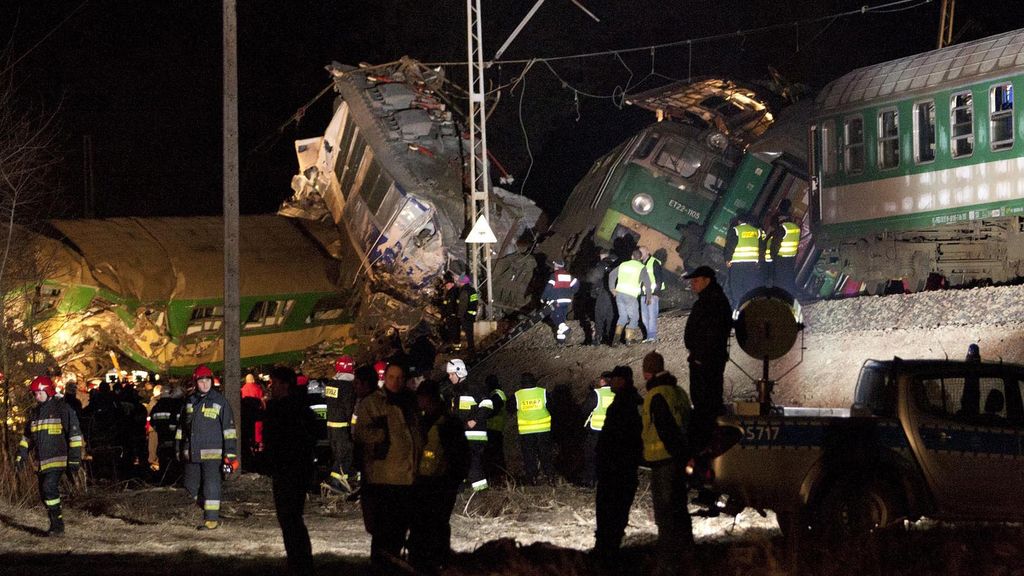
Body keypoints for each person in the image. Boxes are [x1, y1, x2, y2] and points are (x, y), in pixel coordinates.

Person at [353, 362, 422, 567]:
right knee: (384, 535)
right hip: (384, 479)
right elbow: (360, 433)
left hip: (408, 478)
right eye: (391, 377)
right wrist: (383, 436)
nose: (395, 381)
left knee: (400, 532)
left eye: (399, 377)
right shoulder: (372, 403)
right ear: (385, 378)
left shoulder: (410, 402)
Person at [408, 378, 470, 575]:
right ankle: (430, 562)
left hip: (437, 483)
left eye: (420, 398)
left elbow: (458, 456)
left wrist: (451, 480)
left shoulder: (444, 423)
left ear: (427, 398)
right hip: (429, 482)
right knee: (431, 525)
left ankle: (435, 563)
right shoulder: (432, 420)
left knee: (434, 525)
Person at [641, 351, 694, 575]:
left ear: (647, 372)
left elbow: (666, 430)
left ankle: (668, 565)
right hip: (679, 460)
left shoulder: (656, 395)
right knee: (680, 511)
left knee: (665, 515)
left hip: (665, 462)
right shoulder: (679, 392)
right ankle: (688, 558)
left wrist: (674, 455)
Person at [264, 365, 319, 576]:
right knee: (291, 518)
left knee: (289, 518)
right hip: (293, 468)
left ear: (285, 385)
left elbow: (278, 439)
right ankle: (299, 561)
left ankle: (299, 562)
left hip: (289, 469)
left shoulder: (284, 409)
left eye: (275, 383)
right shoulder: (299, 407)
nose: (272, 387)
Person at [16, 376, 83, 536]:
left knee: (49, 487)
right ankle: (55, 523)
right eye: (34, 394)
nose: (36, 396)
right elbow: (27, 438)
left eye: (39, 393)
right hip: (42, 461)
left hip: (58, 458)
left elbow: (74, 436)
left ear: (48, 391)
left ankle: (58, 527)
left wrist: (74, 459)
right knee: (44, 492)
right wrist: (21, 455)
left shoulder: (62, 409)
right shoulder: (34, 413)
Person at [176, 364, 238, 530]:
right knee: (189, 486)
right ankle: (204, 509)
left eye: (207, 380)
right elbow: (181, 429)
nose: (204, 384)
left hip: (213, 455)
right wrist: (178, 449)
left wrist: (230, 455)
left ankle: (211, 520)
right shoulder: (190, 402)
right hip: (192, 454)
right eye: (201, 381)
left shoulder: (220, 402)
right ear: (196, 382)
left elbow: (229, 431)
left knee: (211, 486)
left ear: (212, 381)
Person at [593, 365, 642, 567]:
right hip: (621, 468)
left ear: (622, 380)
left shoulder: (625, 404)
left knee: (610, 512)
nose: (611, 382)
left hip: (616, 469)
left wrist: (607, 461)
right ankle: (608, 552)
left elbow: (618, 438)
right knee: (615, 513)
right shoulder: (630, 401)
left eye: (614, 379)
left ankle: (606, 556)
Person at [683, 266, 732, 454]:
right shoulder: (712, 300)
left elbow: (713, 333)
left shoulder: (712, 302)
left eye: (696, 280)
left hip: (706, 363)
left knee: (706, 405)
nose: (693, 284)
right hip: (705, 360)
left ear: (707, 280)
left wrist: (701, 358)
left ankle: (705, 446)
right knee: (705, 403)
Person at [446, 359, 489, 491]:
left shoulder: (474, 387)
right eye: (449, 374)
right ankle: (461, 489)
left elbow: (487, 404)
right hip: (461, 433)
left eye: (452, 374)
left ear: (460, 372)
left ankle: (481, 491)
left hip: (474, 433)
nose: (450, 377)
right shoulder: (454, 391)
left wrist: (474, 420)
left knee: (472, 462)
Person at [511, 372, 555, 485]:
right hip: (543, 430)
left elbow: (510, 408)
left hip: (526, 432)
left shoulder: (517, 395)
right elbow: (552, 406)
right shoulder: (543, 392)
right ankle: (550, 476)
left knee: (529, 456)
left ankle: (532, 479)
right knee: (545, 454)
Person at [323, 355, 357, 495]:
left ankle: (345, 483)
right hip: (343, 427)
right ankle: (335, 481)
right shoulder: (349, 387)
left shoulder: (331, 384)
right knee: (345, 455)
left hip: (331, 426)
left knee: (339, 455)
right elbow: (349, 408)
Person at [608, 249, 651, 345]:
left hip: (619, 295)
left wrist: (612, 289)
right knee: (634, 317)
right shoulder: (641, 267)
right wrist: (648, 297)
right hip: (630, 295)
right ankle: (629, 339)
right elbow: (647, 283)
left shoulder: (623, 265)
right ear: (640, 258)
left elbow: (611, 275)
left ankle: (615, 341)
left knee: (622, 316)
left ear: (631, 256)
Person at [581, 371, 614, 487]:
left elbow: (585, 409)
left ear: (602, 381)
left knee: (592, 456)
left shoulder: (597, 394)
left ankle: (590, 481)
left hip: (596, 430)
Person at [724, 214, 764, 307]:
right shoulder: (757, 232)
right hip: (752, 265)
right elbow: (762, 247)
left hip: (738, 264)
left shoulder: (737, 230)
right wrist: (759, 262)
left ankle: (737, 309)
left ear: (739, 221)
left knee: (736, 288)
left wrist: (728, 259)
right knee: (748, 287)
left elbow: (730, 247)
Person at [150, 383, 185, 483]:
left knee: (163, 461)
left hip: (162, 439)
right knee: (174, 462)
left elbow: (152, 421)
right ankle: (174, 480)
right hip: (173, 439)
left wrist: (159, 430)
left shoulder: (156, 406)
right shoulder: (174, 406)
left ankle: (164, 480)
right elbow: (178, 421)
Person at [765, 199, 801, 294]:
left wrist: (772, 256)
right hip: (791, 257)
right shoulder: (795, 226)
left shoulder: (779, 223)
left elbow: (775, 241)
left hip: (780, 256)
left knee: (778, 279)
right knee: (788, 278)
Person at [541, 260, 580, 346]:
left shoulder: (554, 275)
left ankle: (565, 329)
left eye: (554, 265)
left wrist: (543, 297)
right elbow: (576, 284)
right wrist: (571, 291)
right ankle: (561, 340)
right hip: (566, 300)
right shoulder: (568, 275)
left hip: (556, 300)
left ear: (556, 266)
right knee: (561, 318)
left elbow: (548, 287)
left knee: (555, 316)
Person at [588, 250, 618, 346]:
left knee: (599, 315)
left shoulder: (602, 264)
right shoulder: (617, 263)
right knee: (610, 315)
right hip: (614, 293)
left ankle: (598, 337)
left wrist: (593, 292)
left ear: (603, 255)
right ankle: (610, 338)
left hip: (603, 291)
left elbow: (595, 277)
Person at [481, 374, 507, 483]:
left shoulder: (497, 394)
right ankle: (497, 477)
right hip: (493, 428)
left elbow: (492, 410)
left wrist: (480, 415)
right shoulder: (495, 394)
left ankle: (498, 477)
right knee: (494, 455)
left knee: (495, 455)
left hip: (494, 429)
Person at [240, 373, 265, 472]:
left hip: (246, 417)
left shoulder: (243, 389)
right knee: (257, 434)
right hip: (256, 415)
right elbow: (261, 400)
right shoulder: (257, 388)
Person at [640, 247, 666, 343]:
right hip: (643, 294)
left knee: (651, 315)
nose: (641, 253)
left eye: (642, 251)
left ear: (648, 252)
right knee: (645, 317)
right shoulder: (641, 264)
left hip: (652, 294)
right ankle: (649, 336)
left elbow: (659, 278)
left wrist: (656, 293)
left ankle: (652, 336)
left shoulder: (654, 262)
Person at [457, 274, 479, 355]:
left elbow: (463, 305)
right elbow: (475, 302)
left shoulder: (464, 291)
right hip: (472, 313)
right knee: (470, 332)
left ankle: (471, 349)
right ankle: (471, 347)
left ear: (462, 282)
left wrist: (460, 315)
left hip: (466, 314)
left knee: (468, 332)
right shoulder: (472, 290)